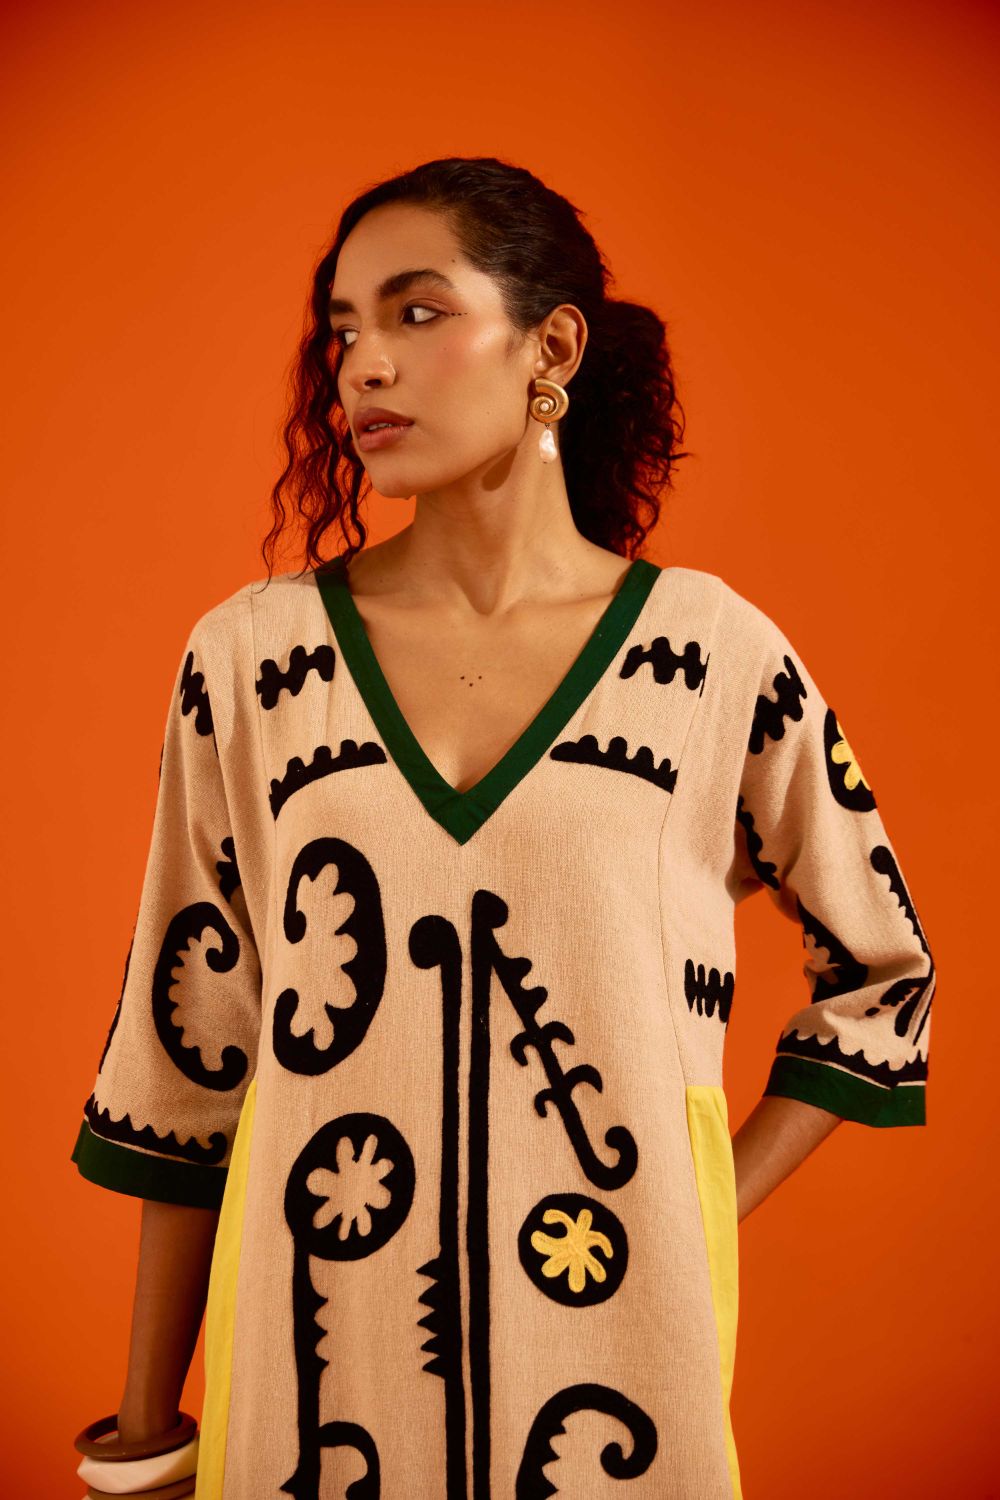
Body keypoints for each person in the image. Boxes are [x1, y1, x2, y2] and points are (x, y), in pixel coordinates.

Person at [69, 155, 935, 1500]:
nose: (363, 364)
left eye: (417, 312)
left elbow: (884, 974)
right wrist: (143, 1428)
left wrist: (694, 1211)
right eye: (345, 329)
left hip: (618, 1368)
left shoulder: (712, 656)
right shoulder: (251, 662)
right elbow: (187, 1050)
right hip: (311, 1370)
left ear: (553, 348)